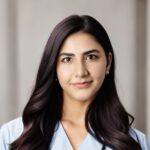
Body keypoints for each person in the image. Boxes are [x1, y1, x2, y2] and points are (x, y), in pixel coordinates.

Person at [0, 15, 150, 150]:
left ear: (108, 62)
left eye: (91, 57)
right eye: (67, 59)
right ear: (54, 67)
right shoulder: (12, 137)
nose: (80, 72)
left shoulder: (135, 143)